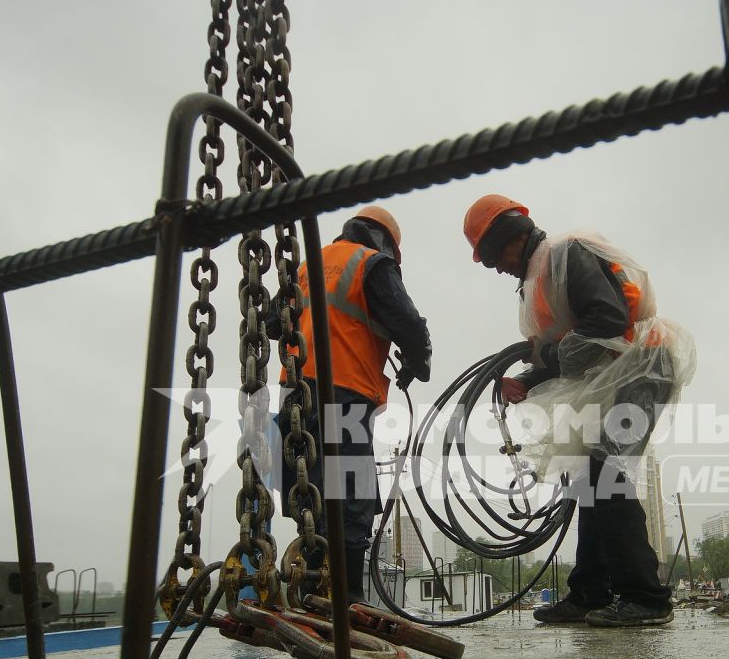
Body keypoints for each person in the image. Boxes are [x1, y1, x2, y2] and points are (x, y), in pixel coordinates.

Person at [463, 193, 692, 629]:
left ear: (511, 237)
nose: (495, 267)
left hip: (644, 365)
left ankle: (646, 596)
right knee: (588, 478)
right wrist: (527, 379)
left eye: (493, 255)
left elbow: (604, 322)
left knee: (605, 474)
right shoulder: (537, 276)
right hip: (617, 371)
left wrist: (541, 359)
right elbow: (567, 349)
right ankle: (590, 592)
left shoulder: (566, 254)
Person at [271, 205, 431, 602]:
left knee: (307, 492)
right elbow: (409, 323)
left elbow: (273, 324)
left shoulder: (305, 266)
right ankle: (348, 597)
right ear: (387, 243)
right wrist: (417, 360)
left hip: (294, 393)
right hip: (344, 391)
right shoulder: (371, 264)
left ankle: (312, 588)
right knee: (350, 495)